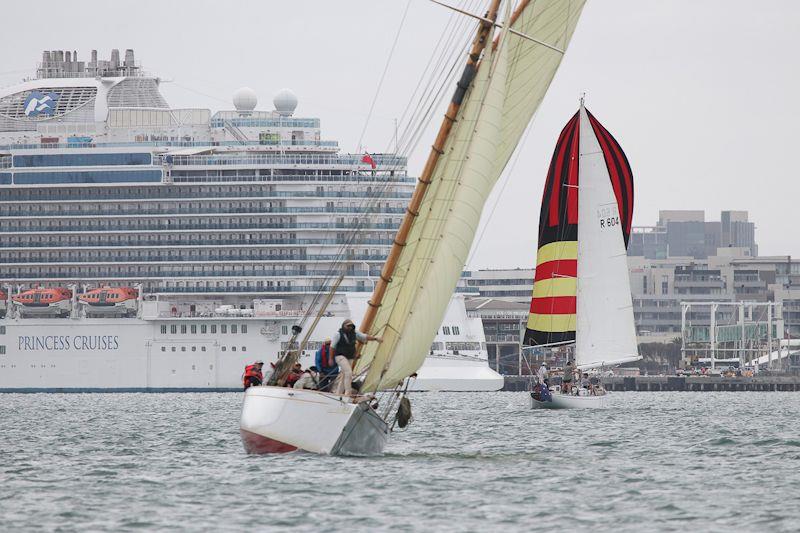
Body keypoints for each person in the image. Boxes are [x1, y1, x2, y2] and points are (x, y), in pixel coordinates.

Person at [331, 318, 382, 396]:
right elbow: (332, 347)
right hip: (340, 356)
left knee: (344, 375)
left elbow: (364, 336)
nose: (350, 327)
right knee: (348, 372)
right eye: (348, 326)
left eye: (351, 326)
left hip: (350, 357)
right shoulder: (338, 334)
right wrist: (330, 359)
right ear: (343, 326)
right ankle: (348, 393)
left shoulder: (355, 333)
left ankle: (338, 393)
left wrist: (375, 338)